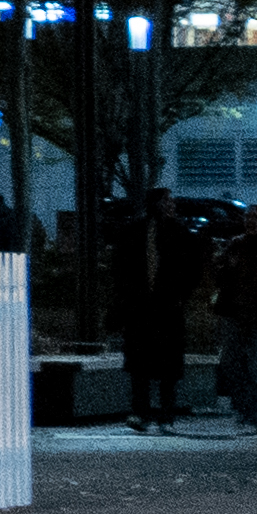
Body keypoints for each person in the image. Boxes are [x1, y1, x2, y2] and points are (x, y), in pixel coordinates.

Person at [93, 183, 209, 434]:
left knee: (166, 365)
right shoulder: (135, 232)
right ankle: (142, 412)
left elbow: (195, 267)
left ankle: (165, 414)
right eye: (166, 202)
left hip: (166, 305)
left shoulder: (179, 233)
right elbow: (120, 268)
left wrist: (181, 294)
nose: (171, 206)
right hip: (141, 305)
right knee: (140, 364)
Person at [206, 201, 257, 430]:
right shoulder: (236, 244)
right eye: (249, 219)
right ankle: (244, 410)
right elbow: (219, 274)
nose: (252, 223)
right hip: (234, 311)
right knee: (233, 363)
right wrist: (225, 266)